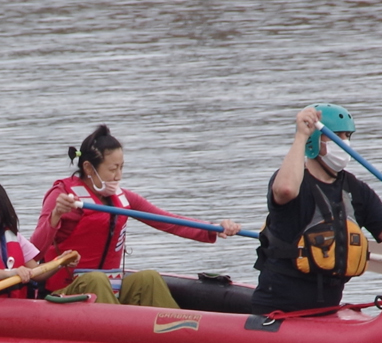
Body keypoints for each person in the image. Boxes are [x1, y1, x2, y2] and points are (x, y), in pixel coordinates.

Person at [252, 105, 382, 316]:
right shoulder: (292, 181)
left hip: (325, 312)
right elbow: (285, 190)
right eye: (336, 137)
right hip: (276, 310)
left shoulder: (356, 191)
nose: (344, 143)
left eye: (347, 136)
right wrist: (301, 135)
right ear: (315, 142)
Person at [31, 124, 236, 310]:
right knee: (95, 280)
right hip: (65, 294)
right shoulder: (62, 196)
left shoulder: (123, 198)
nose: (118, 176)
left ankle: (180, 337)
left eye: (121, 168)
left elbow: (168, 221)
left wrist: (215, 229)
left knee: (149, 278)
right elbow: (33, 251)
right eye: (113, 169)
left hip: (111, 289)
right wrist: (56, 216)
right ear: (88, 168)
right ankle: (116, 335)